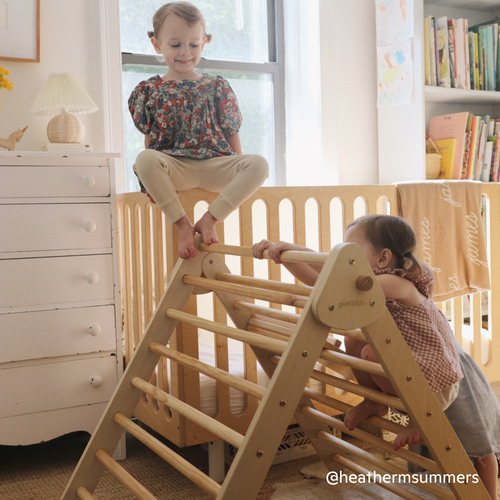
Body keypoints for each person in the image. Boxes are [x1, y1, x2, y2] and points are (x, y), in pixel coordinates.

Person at [252, 214, 500, 500]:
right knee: (354, 341)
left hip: (442, 375)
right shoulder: (373, 282)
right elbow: (321, 280)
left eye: (352, 253)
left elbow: (328, 285)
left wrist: (292, 254)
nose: (345, 261)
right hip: (411, 367)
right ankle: (374, 401)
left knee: (480, 450)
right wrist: (285, 253)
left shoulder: (395, 284)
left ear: (383, 259)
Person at [129, 2, 268, 259]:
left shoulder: (216, 86)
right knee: (144, 159)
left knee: (259, 163)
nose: (185, 52)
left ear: (203, 43)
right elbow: (149, 139)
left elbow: (230, 130)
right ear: (157, 46)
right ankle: (183, 225)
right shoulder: (148, 90)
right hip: (175, 168)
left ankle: (209, 219)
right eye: (175, 45)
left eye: (193, 45)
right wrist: (150, 181)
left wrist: (237, 166)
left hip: (216, 165)